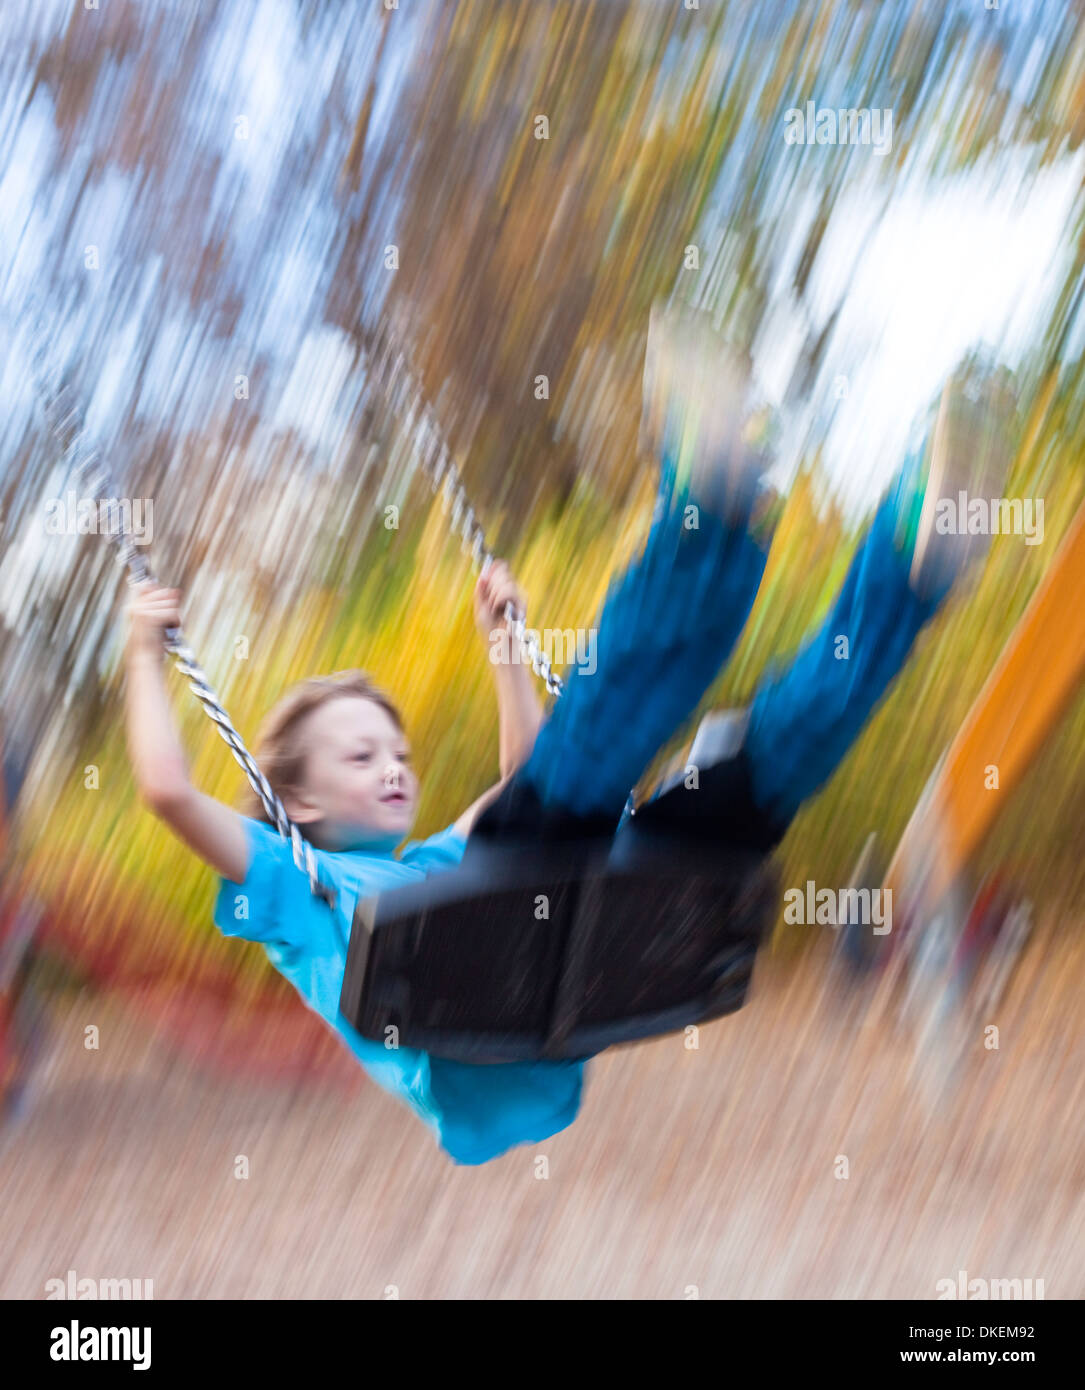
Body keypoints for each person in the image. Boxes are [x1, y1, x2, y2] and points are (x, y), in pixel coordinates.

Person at [124, 313, 1015, 1165]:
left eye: (395, 751)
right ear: (300, 801)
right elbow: (166, 789)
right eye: (360, 757)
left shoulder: (432, 868)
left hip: (564, 947)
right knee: (583, 759)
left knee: (756, 772)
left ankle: (909, 562)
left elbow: (523, 774)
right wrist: (140, 651)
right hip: (506, 983)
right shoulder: (290, 884)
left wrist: (506, 649)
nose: (394, 767)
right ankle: (706, 513)